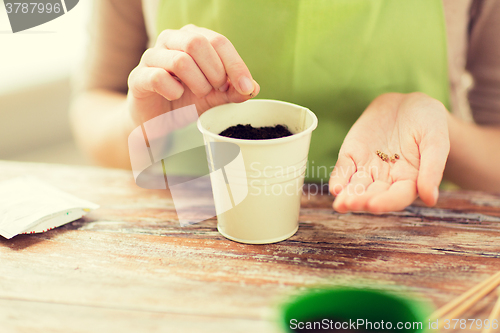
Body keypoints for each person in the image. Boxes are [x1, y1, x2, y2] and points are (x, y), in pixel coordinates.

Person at [70, 0, 500, 214]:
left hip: (413, 233)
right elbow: (92, 102)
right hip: (204, 225)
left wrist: (437, 128)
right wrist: (157, 135)